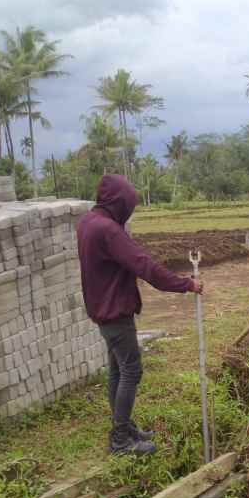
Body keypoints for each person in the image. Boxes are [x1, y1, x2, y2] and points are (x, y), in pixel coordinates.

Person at [77, 175, 204, 456]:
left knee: (117, 370)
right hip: (115, 312)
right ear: (119, 203)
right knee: (131, 370)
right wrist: (187, 284)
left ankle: (124, 428)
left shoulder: (88, 222)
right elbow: (144, 266)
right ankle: (120, 441)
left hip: (102, 309)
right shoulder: (108, 231)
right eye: (129, 205)